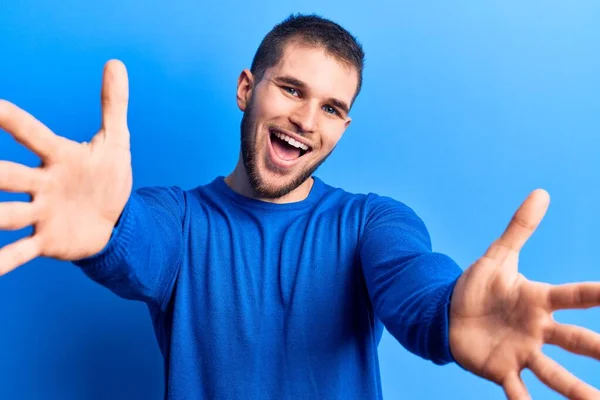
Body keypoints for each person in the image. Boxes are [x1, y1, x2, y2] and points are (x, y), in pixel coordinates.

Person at [0, 13, 598, 400]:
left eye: (332, 108)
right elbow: (138, 243)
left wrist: (449, 315)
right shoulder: (179, 221)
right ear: (246, 89)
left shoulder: (371, 223)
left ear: (344, 125)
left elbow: (415, 286)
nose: (306, 121)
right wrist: (108, 230)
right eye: (291, 89)